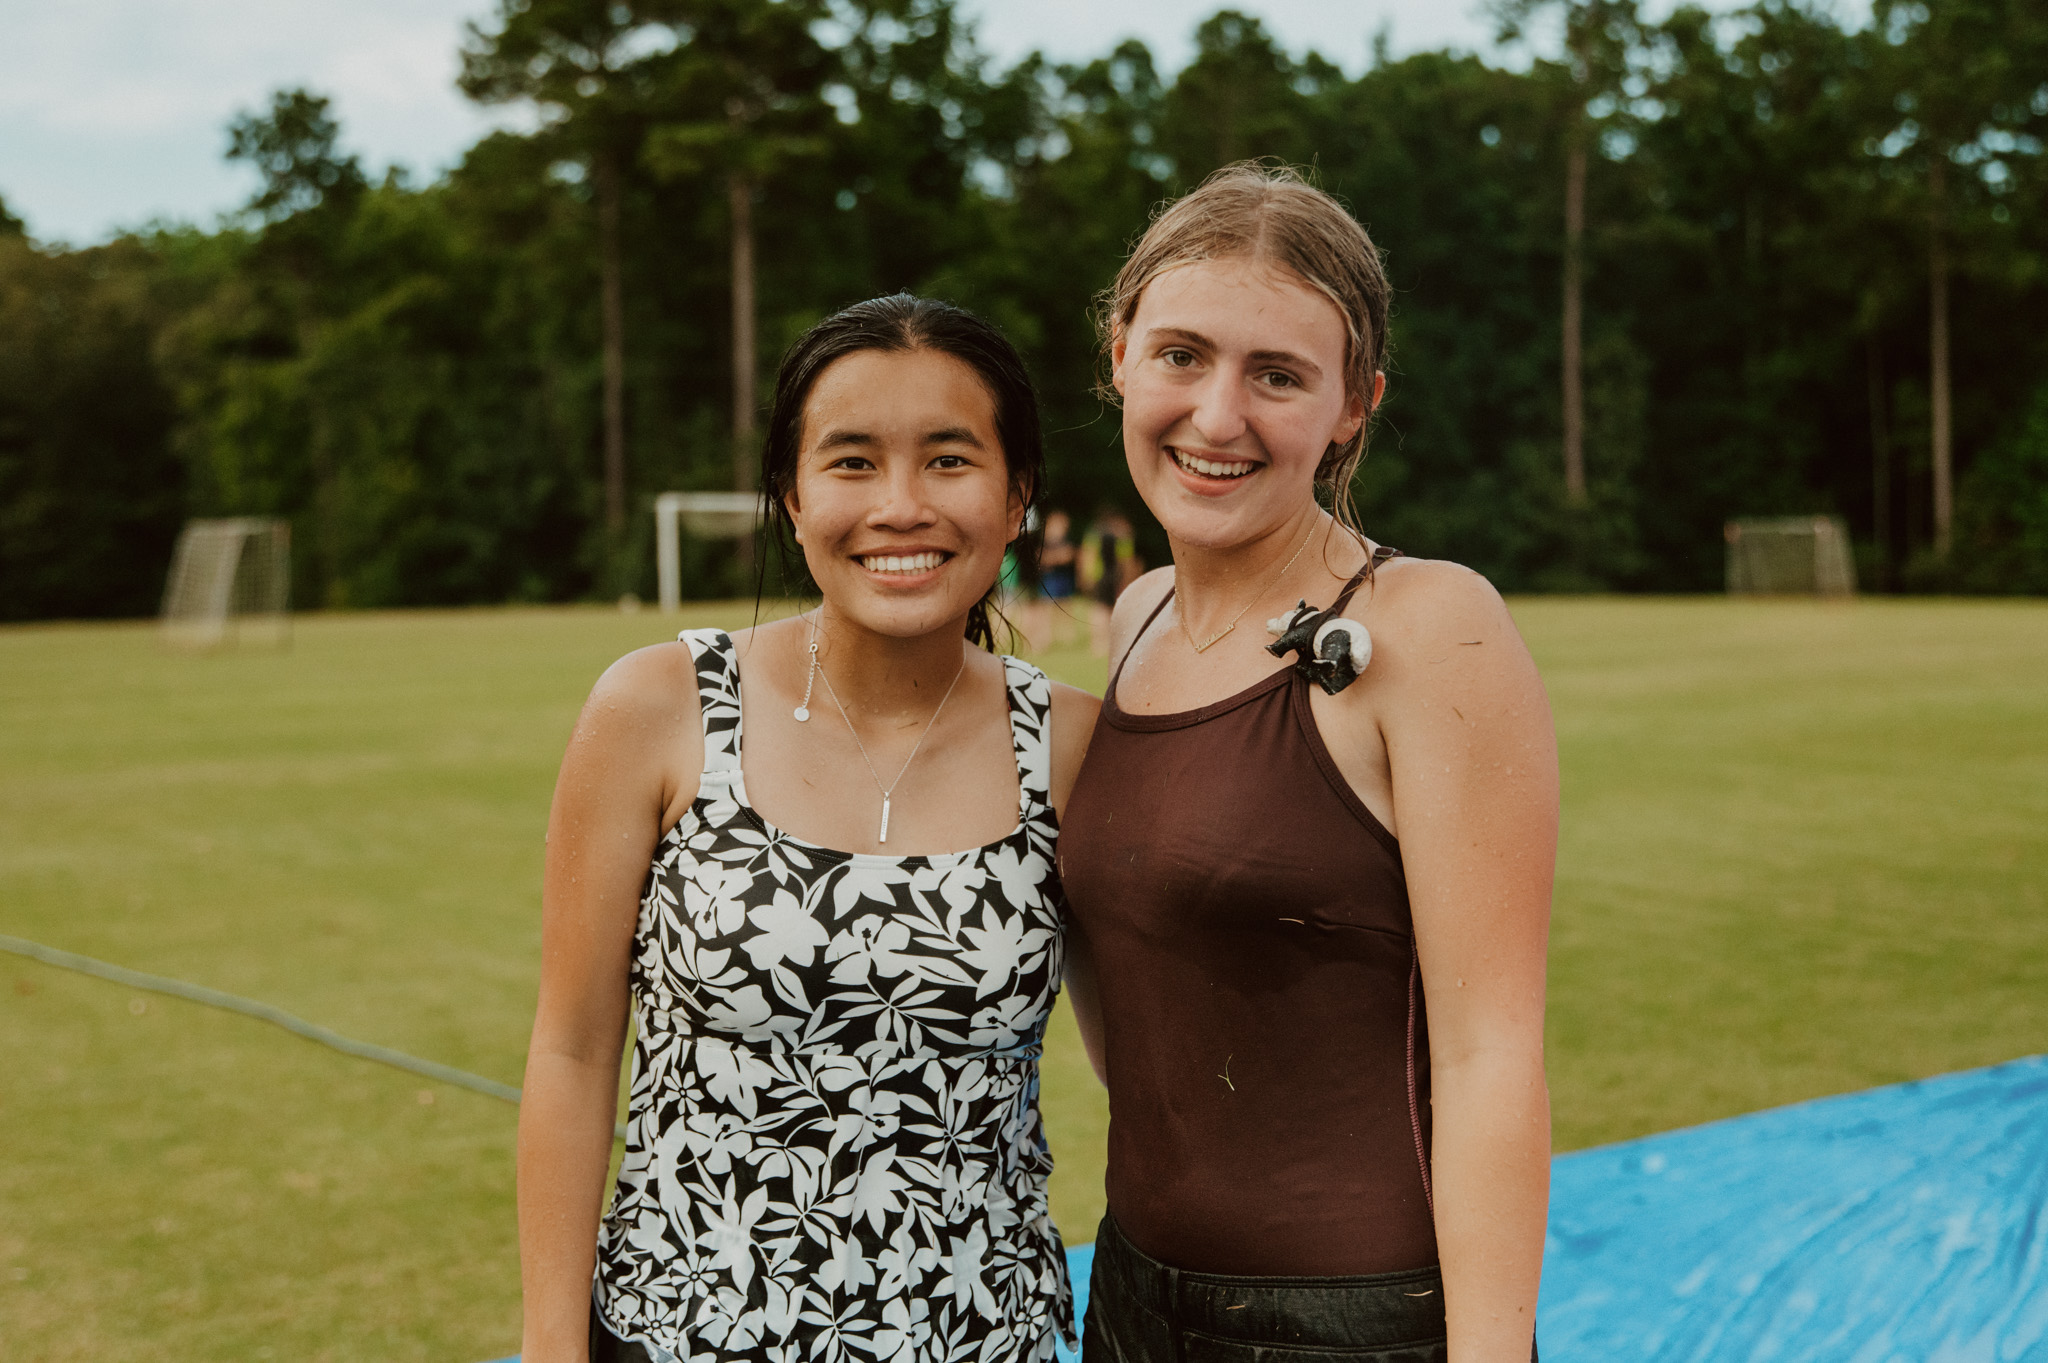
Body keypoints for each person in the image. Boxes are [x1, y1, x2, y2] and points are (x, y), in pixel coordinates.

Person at [518, 294, 1099, 1363]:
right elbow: (571, 1045)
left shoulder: (1074, 745)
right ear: (791, 495)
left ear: (1018, 494)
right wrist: (553, 1346)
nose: (900, 505)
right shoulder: (658, 707)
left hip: (982, 1338)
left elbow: (1151, 1070)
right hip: (682, 1333)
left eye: (949, 460)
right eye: (851, 462)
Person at [1059, 163, 1556, 1363]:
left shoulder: (1431, 626)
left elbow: (1490, 1054)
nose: (1215, 415)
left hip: (1354, 1324)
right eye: (1181, 355)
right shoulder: (1134, 619)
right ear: (1120, 354)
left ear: (1352, 404)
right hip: (1127, 1298)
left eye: (1275, 375)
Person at [1023, 509, 1079, 651]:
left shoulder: (1066, 539)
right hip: (1050, 580)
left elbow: (1070, 555)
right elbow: (1042, 558)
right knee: (1046, 610)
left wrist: (1056, 558)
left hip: (1063, 578)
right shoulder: (1046, 541)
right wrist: (1058, 557)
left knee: (1065, 607)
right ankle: (1043, 639)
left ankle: (1068, 639)